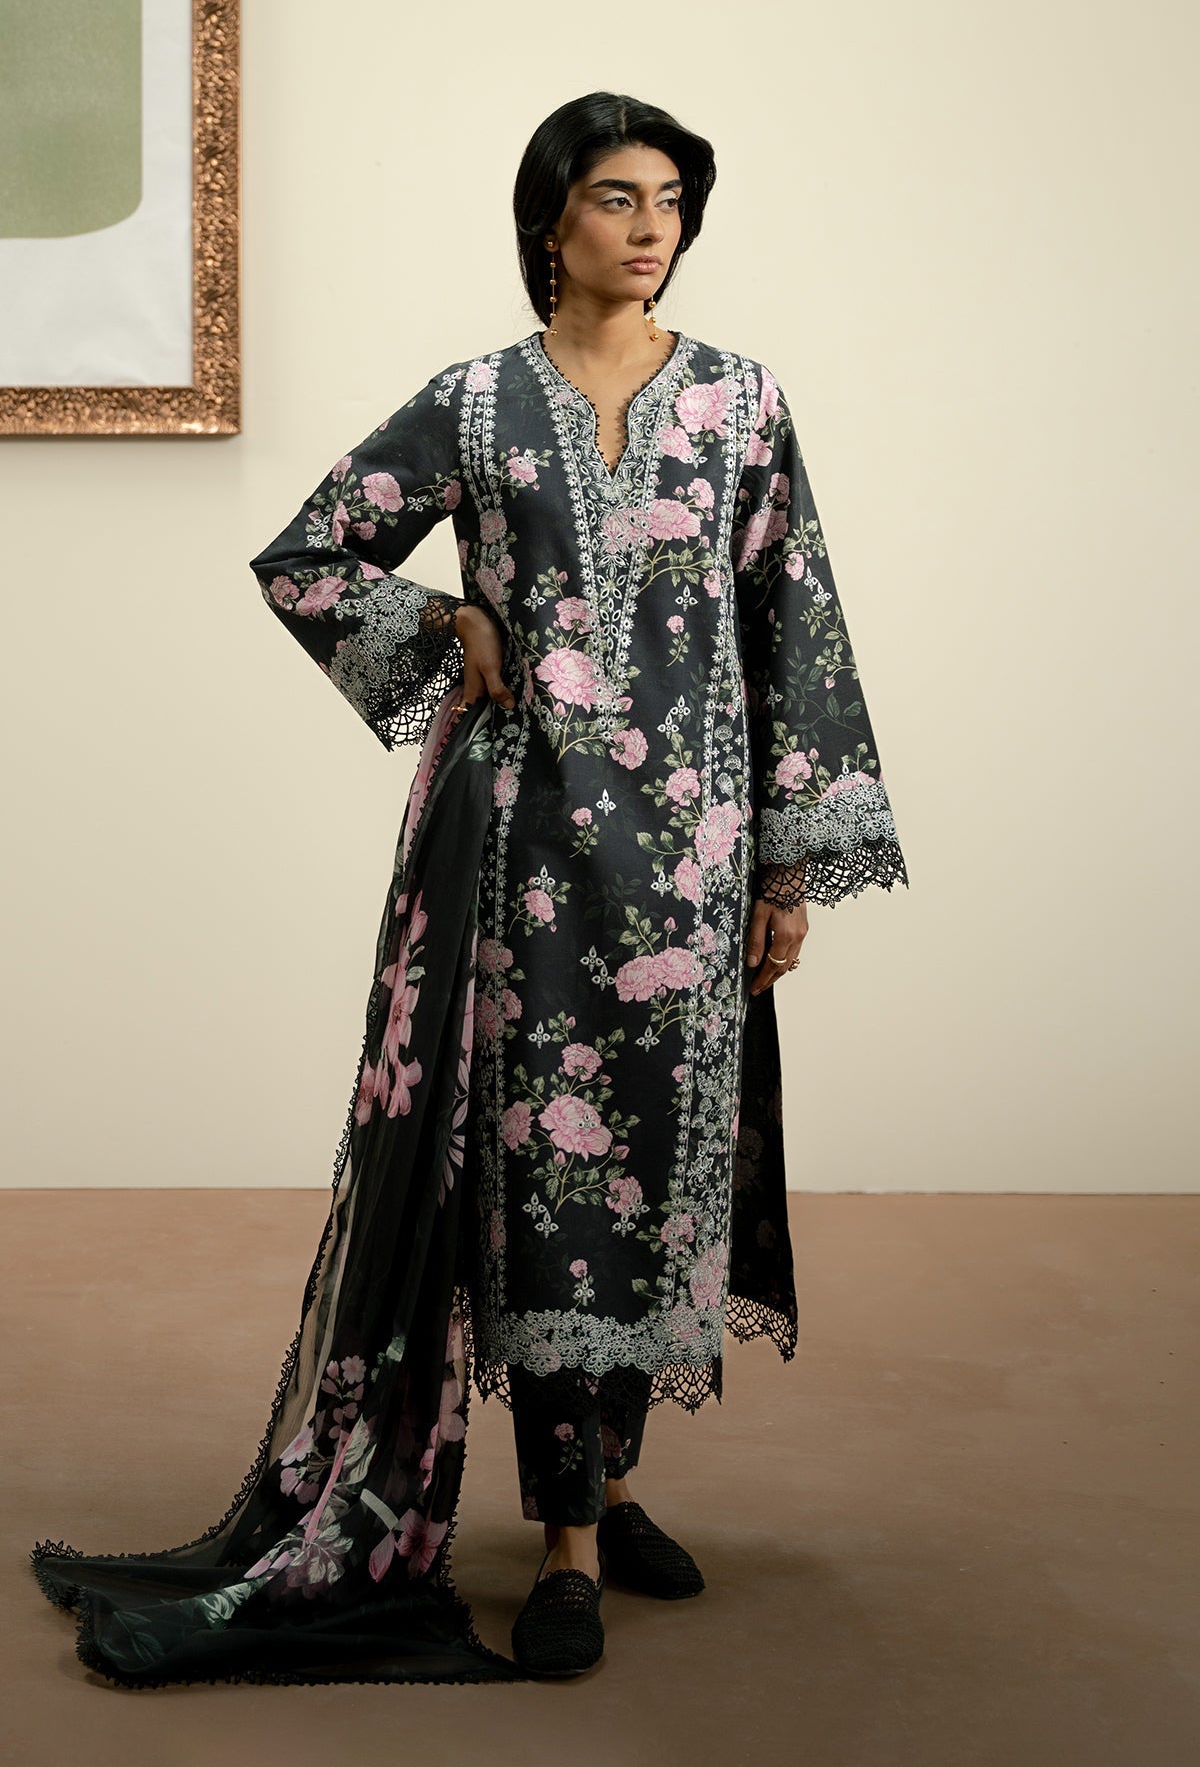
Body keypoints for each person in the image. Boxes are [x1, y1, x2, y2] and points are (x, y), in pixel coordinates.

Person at [30, 91, 908, 1686]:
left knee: (654, 1171)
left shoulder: (742, 404)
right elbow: (308, 556)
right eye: (618, 197)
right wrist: (446, 624)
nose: (651, 228)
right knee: (542, 1177)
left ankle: (614, 1490)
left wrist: (790, 862)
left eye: (672, 201)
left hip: (695, 862)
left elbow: (798, 623)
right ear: (549, 217)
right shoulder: (480, 403)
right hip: (520, 856)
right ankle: (564, 1543)